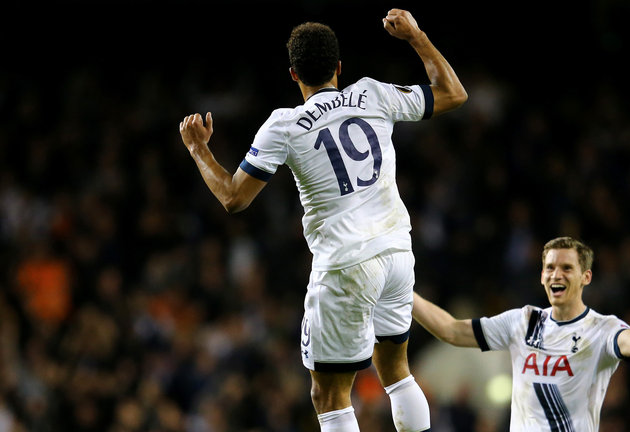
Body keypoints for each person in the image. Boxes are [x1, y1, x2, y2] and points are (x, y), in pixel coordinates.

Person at [179, 8, 467, 432]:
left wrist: (199, 150)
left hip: (346, 265)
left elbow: (234, 198)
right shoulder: (373, 94)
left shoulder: (284, 125)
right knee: (396, 369)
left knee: (328, 395)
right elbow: (454, 93)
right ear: (338, 68)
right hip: (396, 254)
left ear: (293, 74)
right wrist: (416, 36)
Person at [412, 236, 630, 431]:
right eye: (550, 268)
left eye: (566, 268)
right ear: (541, 276)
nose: (556, 274)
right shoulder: (522, 321)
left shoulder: (601, 328)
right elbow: (451, 330)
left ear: (586, 277)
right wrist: (404, 294)